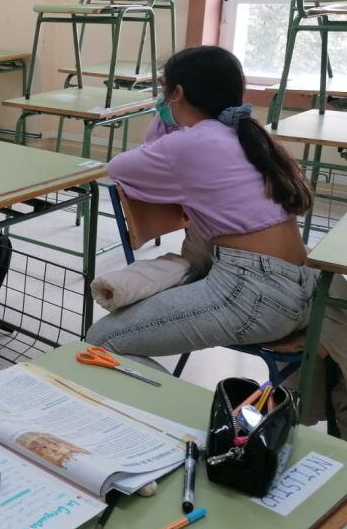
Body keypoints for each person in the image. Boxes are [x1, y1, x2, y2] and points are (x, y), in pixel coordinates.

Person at [87, 46, 317, 368]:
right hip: (305, 287)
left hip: (253, 292)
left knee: (102, 341)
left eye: (165, 92)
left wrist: (162, 122)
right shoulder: (248, 134)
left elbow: (119, 168)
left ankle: (165, 415)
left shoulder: (191, 143)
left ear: (176, 93)